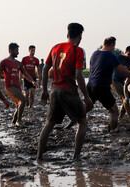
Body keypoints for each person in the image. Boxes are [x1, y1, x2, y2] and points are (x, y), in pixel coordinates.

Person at [37, 23, 93, 160]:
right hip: (68, 91)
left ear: (67, 34)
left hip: (54, 90)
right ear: (80, 36)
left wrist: (44, 90)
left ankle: (39, 156)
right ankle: (76, 156)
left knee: (49, 123)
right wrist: (86, 97)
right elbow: (79, 75)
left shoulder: (55, 47)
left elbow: (45, 69)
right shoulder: (78, 50)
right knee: (82, 122)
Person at [0, 43, 38, 127]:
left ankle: (14, 121)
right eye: (16, 51)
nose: (18, 53)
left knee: (18, 105)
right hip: (10, 86)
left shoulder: (19, 63)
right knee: (23, 100)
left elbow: (25, 73)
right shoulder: (4, 62)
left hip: (17, 86)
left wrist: (32, 81)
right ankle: (19, 121)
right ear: (10, 51)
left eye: (18, 51)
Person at [111, 46, 130, 120]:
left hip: (122, 82)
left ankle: (121, 116)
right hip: (113, 80)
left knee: (127, 96)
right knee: (124, 97)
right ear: (125, 52)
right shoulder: (118, 57)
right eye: (128, 54)